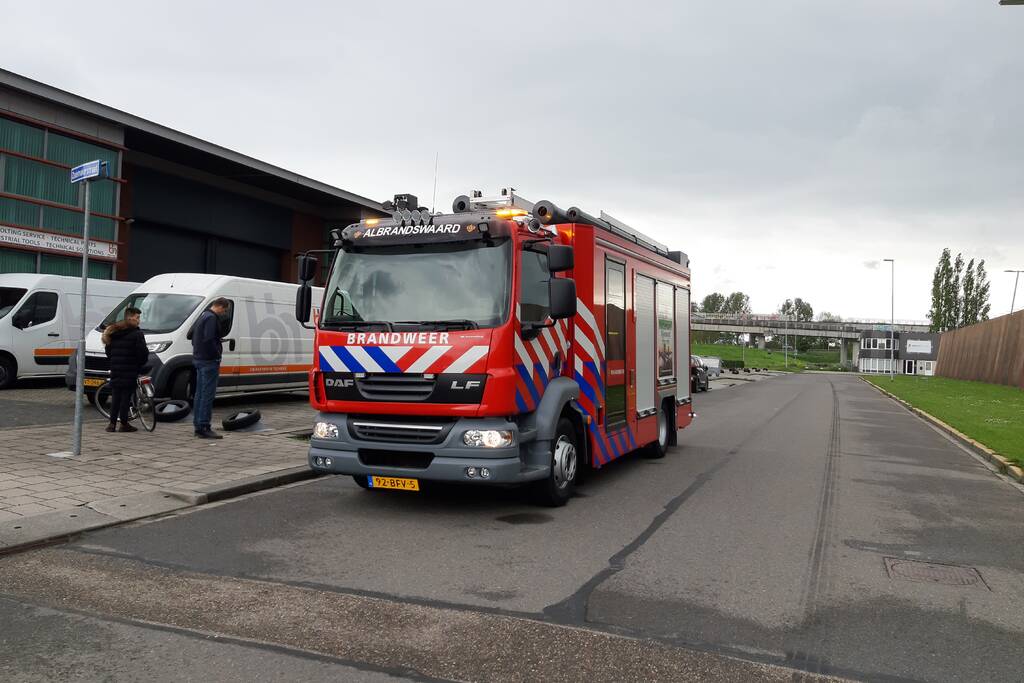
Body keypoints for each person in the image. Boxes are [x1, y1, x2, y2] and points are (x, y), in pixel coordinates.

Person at [102, 307, 149, 433]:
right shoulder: (137, 334)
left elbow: (108, 351)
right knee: (126, 397)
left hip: (116, 368)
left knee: (116, 396)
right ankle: (124, 424)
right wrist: (140, 363)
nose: (139, 320)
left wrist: (115, 361)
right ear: (130, 317)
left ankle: (111, 424)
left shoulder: (114, 331)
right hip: (130, 368)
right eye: (137, 317)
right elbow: (142, 353)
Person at [192, 298, 229, 439]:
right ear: (219, 306)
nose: (223, 313)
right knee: (207, 395)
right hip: (209, 361)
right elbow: (209, 339)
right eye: (224, 310)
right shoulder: (212, 318)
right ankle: (204, 426)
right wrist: (217, 354)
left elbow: (194, 336)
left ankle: (198, 425)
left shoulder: (203, 315)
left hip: (199, 359)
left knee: (199, 394)